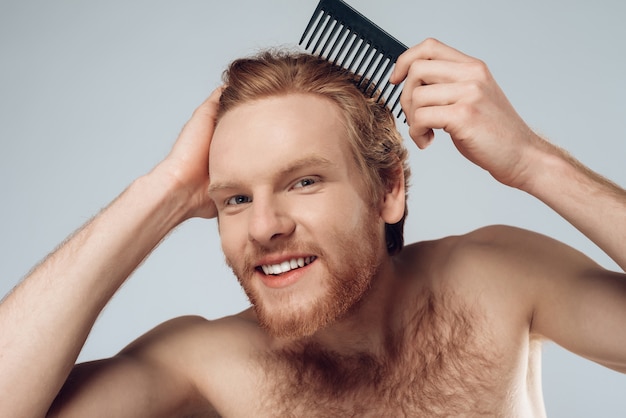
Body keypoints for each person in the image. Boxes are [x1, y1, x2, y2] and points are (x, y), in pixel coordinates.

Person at [1, 38, 624, 417]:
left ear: (388, 190)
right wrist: (159, 193)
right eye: (236, 198)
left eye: (303, 181)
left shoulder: (501, 279)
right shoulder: (206, 364)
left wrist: (532, 162)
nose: (265, 226)